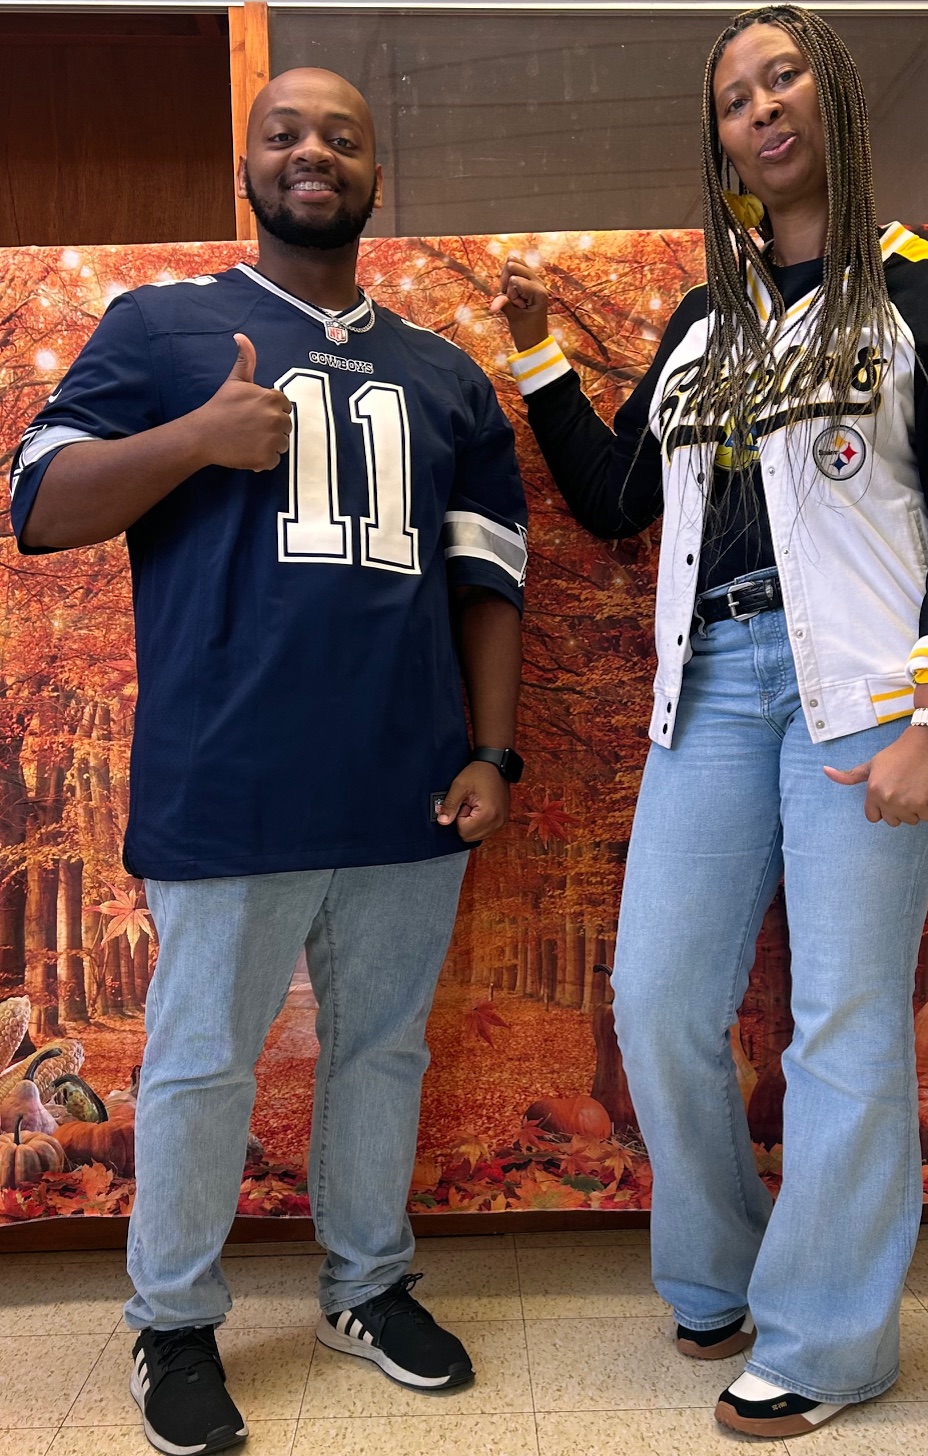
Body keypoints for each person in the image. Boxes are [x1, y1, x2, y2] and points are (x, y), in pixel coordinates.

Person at [492, 4, 928, 1440]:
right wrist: (544, 362)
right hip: (711, 691)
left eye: (782, 73)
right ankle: (719, 1274)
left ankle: (830, 1340)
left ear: (832, 103)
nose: (759, 104)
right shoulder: (696, 324)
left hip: (865, 691)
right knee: (657, 1001)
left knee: (841, 1019)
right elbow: (617, 504)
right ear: (721, 142)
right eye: (733, 95)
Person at [10, 68, 527, 1456]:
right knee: (197, 1067)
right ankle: (172, 1324)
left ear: (372, 172)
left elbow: (487, 583)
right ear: (248, 160)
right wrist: (192, 441)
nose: (314, 152)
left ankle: (366, 1287)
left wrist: (491, 749)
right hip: (226, 783)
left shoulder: (448, 374)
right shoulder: (160, 328)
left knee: (380, 1055)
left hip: (407, 784)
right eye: (286, 132)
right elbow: (36, 505)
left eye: (341, 137)